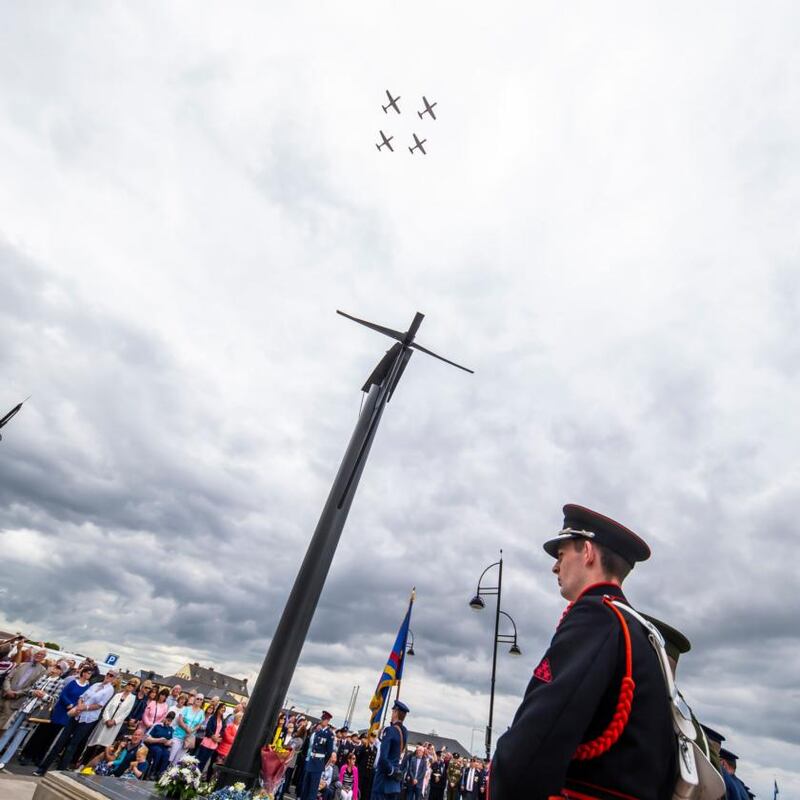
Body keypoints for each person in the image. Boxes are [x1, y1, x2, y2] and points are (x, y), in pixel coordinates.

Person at [491, 504, 675, 800]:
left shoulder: (595, 617)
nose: (555, 566)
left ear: (587, 552)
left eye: (561, 554)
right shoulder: (640, 631)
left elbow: (538, 736)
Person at [36, 667, 118, 775]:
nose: (108, 676)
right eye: (108, 673)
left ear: (115, 679)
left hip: (88, 719)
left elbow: (99, 705)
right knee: (60, 741)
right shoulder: (95, 685)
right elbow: (82, 696)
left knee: (72, 745)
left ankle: (59, 772)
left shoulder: (109, 690)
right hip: (77, 714)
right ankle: (42, 769)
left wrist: (85, 707)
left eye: (112, 675)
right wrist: (79, 706)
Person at [0, 661, 63, 770]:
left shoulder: (60, 683)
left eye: (58, 668)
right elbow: (30, 689)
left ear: (61, 671)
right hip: (25, 707)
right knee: (8, 732)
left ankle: (3, 761)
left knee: (19, 737)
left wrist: (44, 695)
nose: (54, 669)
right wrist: (34, 692)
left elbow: (54, 699)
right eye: (54, 666)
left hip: (35, 712)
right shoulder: (44, 677)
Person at [85, 678, 137, 756]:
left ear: (134, 688)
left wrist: (114, 721)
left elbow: (126, 713)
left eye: (132, 685)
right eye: (129, 684)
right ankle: (84, 762)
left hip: (114, 724)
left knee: (105, 744)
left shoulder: (132, 698)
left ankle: (95, 764)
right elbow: (107, 707)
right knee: (95, 741)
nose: (130, 686)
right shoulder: (117, 695)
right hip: (106, 721)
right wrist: (107, 719)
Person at [371, 700, 409, 800]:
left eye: (393, 711)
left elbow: (383, 758)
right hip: (394, 783)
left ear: (396, 712)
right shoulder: (404, 731)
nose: (392, 713)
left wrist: (391, 771)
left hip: (383, 780)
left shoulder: (390, 730)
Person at [0, 647, 47, 729]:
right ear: (33, 654)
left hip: (15, 701)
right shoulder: (22, 664)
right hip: (3, 695)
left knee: (2, 724)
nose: (39, 655)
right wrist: (8, 690)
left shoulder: (42, 671)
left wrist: (16, 693)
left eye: (41, 654)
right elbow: (8, 678)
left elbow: (34, 687)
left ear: (44, 657)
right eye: (37, 653)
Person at [299, 710, 335, 800]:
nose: (322, 721)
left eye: (324, 719)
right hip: (311, 761)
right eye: (322, 719)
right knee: (305, 787)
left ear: (328, 721)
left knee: (313, 790)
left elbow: (329, 752)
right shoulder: (317, 732)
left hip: (318, 764)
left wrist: (322, 763)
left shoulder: (329, 734)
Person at [169, 691, 206, 764]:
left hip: (188, 739)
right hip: (178, 735)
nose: (199, 700)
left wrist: (192, 730)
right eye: (197, 698)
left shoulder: (202, 712)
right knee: (171, 756)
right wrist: (186, 728)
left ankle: (170, 774)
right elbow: (180, 720)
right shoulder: (186, 708)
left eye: (201, 699)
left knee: (178, 760)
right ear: (194, 699)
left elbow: (199, 725)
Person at [196, 701, 227, 776]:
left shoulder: (223, 720)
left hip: (213, 744)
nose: (223, 709)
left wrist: (219, 738)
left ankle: (197, 777)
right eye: (222, 707)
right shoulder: (212, 717)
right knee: (199, 760)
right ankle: (192, 774)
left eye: (224, 708)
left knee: (205, 761)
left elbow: (223, 730)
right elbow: (208, 728)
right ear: (218, 708)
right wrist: (213, 736)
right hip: (207, 742)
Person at [145, 710, 175, 780]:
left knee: (167, 754)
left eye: (170, 721)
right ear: (164, 718)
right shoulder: (157, 726)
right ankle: (152, 771)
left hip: (163, 746)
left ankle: (160, 773)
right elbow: (147, 738)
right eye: (167, 720)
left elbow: (171, 741)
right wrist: (159, 740)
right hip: (153, 744)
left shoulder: (171, 729)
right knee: (158, 751)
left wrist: (169, 742)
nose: (168, 722)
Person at [357, 730, 379, 800]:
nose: (373, 738)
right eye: (372, 736)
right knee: (359, 789)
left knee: (366, 791)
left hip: (369, 773)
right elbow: (358, 759)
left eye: (374, 737)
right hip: (362, 772)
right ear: (369, 737)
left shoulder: (375, 749)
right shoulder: (364, 747)